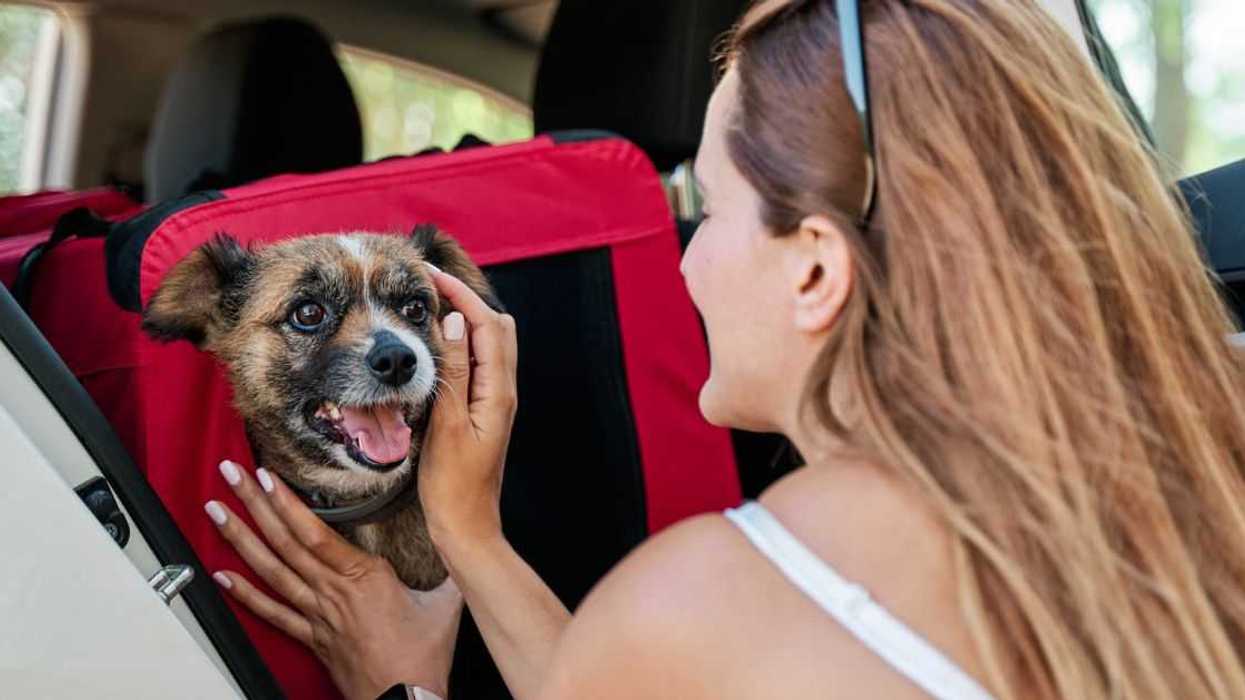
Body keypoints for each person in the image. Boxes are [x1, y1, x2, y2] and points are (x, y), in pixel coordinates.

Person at [200, 0, 1245, 698]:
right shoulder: (1197, 493)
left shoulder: (698, 605)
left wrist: (406, 681)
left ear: (817, 270)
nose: (685, 261)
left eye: (709, 206)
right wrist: (468, 535)